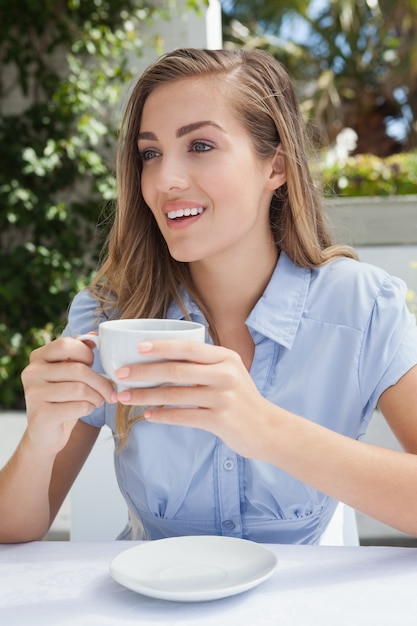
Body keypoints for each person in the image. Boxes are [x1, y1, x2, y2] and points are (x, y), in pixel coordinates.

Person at [1, 47, 417, 545]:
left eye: (199, 145)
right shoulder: (110, 314)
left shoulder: (363, 307)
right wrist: (38, 440)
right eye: (149, 154)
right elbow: (16, 533)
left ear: (276, 167)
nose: (164, 180)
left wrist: (264, 428)